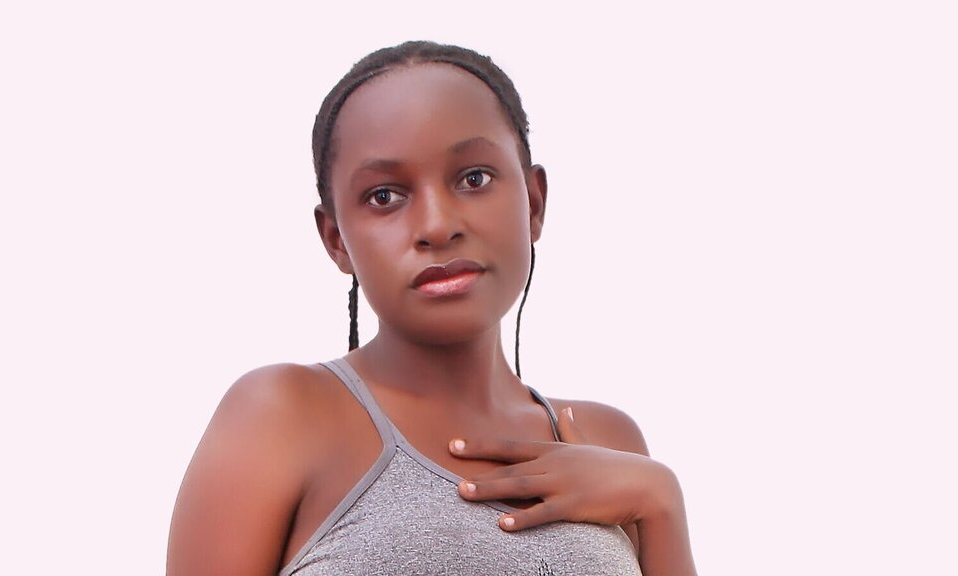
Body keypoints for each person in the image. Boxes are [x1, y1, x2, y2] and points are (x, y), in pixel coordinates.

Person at [167, 40, 697, 576]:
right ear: (336, 240)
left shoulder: (608, 441)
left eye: (474, 179)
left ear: (534, 203)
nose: (437, 226)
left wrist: (661, 502)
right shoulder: (280, 417)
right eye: (384, 196)